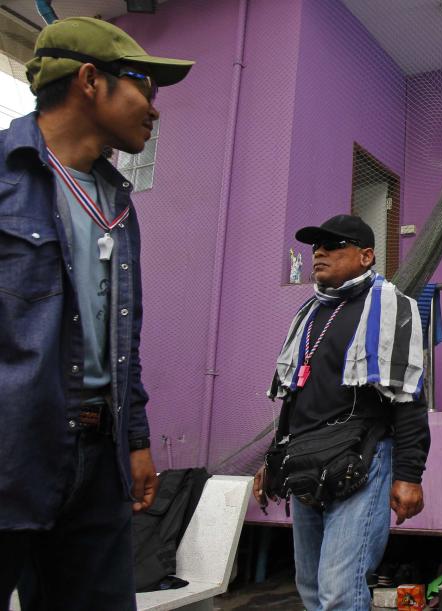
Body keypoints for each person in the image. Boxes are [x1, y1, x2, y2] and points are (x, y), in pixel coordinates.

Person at [0, 17, 193, 610]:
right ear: (90, 80)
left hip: (97, 459)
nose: (155, 110)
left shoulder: (117, 203)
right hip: (11, 449)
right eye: (145, 89)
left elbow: (121, 337)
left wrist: (134, 439)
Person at [253, 215, 430, 611]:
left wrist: (408, 475)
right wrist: (273, 460)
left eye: (334, 245)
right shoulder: (309, 315)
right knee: (311, 587)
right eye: (317, 245)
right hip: (304, 460)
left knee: (339, 590)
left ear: (366, 256)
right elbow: (293, 395)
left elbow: (408, 397)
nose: (319, 252)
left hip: (361, 460)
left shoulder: (390, 307)